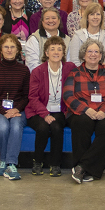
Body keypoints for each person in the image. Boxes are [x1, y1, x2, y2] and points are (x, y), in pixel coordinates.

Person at [66, 40, 105, 184]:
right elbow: (68, 95)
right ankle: (88, 170)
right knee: (81, 123)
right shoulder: (74, 73)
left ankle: (81, 167)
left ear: (101, 56)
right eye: (89, 51)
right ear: (83, 55)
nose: (93, 54)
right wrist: (86, 110)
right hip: (83, 111)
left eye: (96, 52)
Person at [26, 36, 75, 177]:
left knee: (56, 127)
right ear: (46, 53)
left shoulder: (70, 68)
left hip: (60, 110)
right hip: (38, 110)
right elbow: (33, 98)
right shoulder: (37, 71)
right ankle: (37, 161)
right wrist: (45, 114)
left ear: (63, 53)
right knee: (42, 127)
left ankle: (55, 164)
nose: (56, 52)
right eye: (52, 49)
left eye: (59, 49)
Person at [0, 34, 29, 181]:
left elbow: (26, 95)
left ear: (17, 50)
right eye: (6, 47)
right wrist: (4, 111)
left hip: (18, 111)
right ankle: (3, 160)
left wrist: (15, 110)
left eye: (12, 47)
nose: (9, 50)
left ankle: (10, 164)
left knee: (16, 126)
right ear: (0, 50)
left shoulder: (24, 70)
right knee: (3, 126)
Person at [68, 2, 105, 69]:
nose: (95, 17)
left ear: (102, 17)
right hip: (82, 74)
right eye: (92, 14)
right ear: (87, 17)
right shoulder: (77, 36)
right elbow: (74, 61)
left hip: (102, 74)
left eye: (98, 14)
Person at [25, 7, 70, 72]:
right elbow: (32, 65)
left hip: (62, 78)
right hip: (40, 77)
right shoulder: (34, 39)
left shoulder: (67, 40)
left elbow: (68, 63)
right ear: (42, 22)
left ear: (59, 21)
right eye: (47, 18)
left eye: (54, 18)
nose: (51, 21)